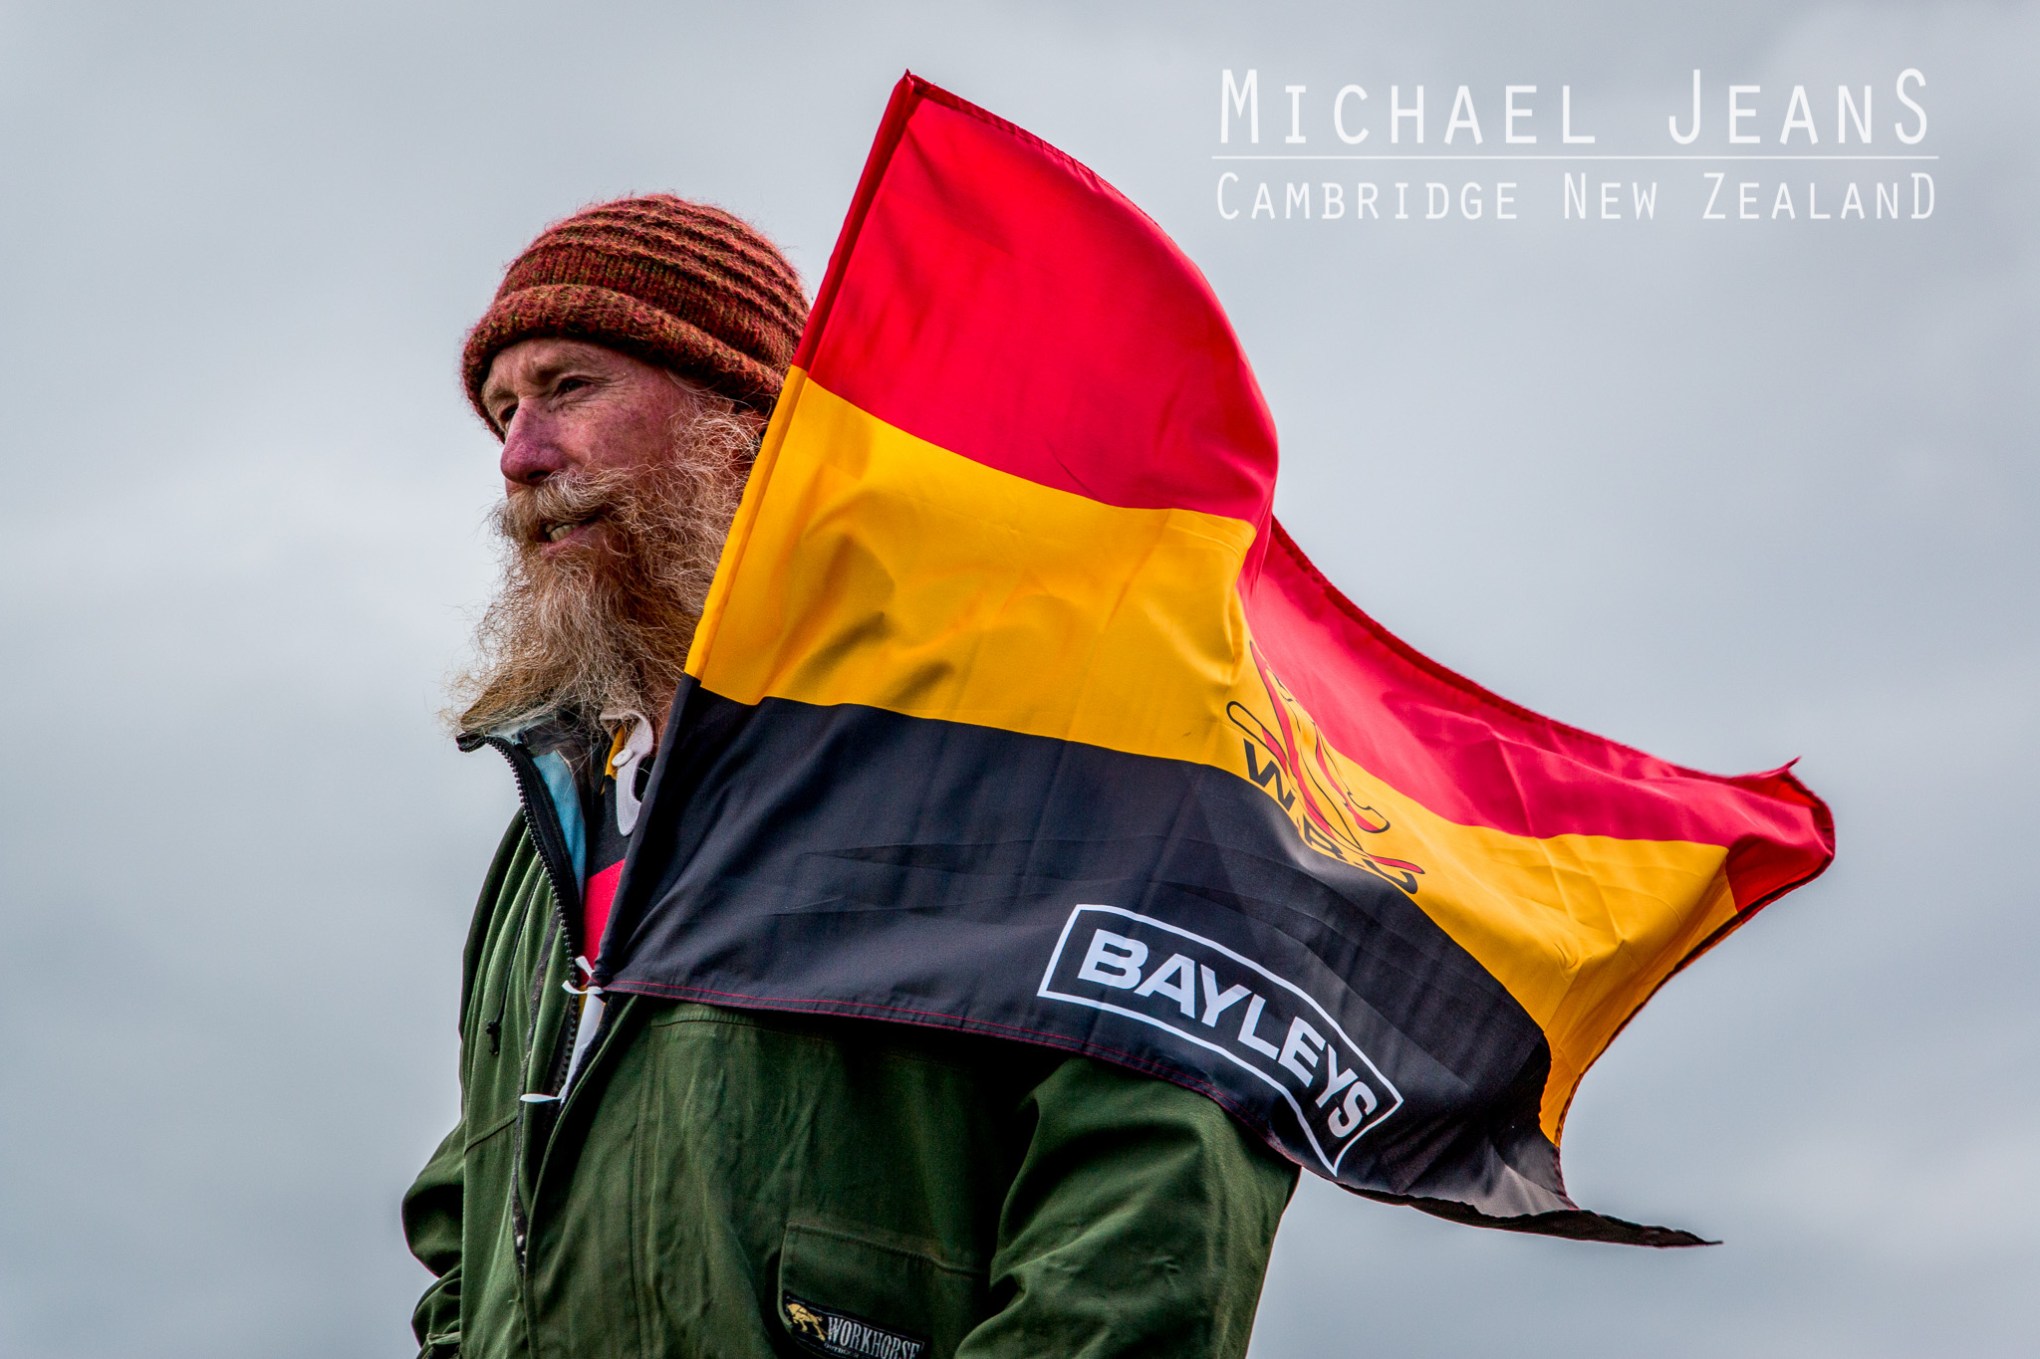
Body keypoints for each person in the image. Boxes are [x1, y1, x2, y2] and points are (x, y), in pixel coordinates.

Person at [402, 194, 1298, 1359]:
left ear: (751, 425)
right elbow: (468, 1222)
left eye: (570, 388)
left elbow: (1154, 1196)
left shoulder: (996, 757)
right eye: (504, 413)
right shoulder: (553, 829)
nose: (520, 459)